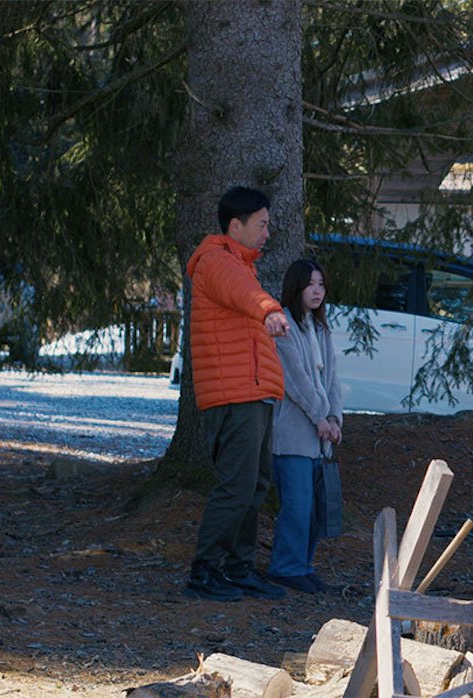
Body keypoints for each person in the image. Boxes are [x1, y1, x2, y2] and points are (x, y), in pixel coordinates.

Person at [185, 186, 290, 602]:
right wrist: (270, 309)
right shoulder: (217, 260)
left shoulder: (241, 264)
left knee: (255, 484)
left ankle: (238, 567)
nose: (268, 232)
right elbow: (246, 298)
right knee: (237, 485)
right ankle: (204, 571)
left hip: (251, 393)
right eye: (261, 224)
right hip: (234, 397)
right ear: (236, 226)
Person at [267, 259, 343, 594]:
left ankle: (303, 565)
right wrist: (320, 418)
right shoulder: (284, 326)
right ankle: (285, 566)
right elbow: (294, 381)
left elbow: (333, 381)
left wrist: (336, 419)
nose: (317, 290)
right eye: (310, 284)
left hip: (320, 436)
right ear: (296, 286)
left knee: (315, 508)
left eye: (321, 284)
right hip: (294, 435)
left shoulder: (321, 328)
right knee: (296, 506)